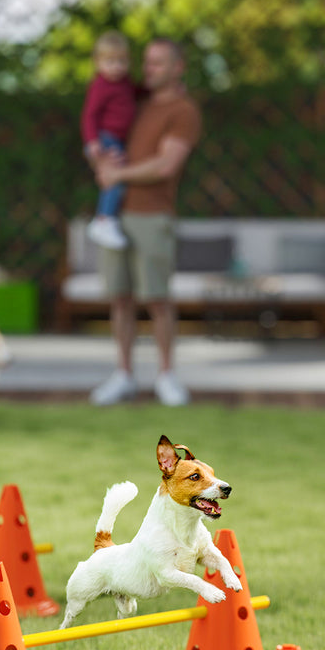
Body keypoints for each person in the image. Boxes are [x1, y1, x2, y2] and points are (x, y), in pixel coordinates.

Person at [89, 37, 201, 407]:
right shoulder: (134, 103)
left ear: (177, 68)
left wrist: (118, 176)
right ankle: (123, 376)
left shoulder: (183, 111)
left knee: (157, 299)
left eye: (158, 64)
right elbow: (103, 136)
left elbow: (166, 164)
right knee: (120, 300)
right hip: (116, 216)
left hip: (152, 216)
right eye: (147, 63)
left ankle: (166, 377)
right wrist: (101, 159)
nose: (148, 69)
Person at [81, 31, 138, 251]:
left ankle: (107, 217)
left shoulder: (124, 83)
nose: (116, 67)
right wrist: (93, 141)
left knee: (118, 178)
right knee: (114, 178)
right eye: (110, 61)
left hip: (119, 138)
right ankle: (104, 220)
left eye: (121, 61)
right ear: (98, 63)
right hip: (106, 137)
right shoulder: (100, 86)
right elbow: (90, 115)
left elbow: (134, 93)